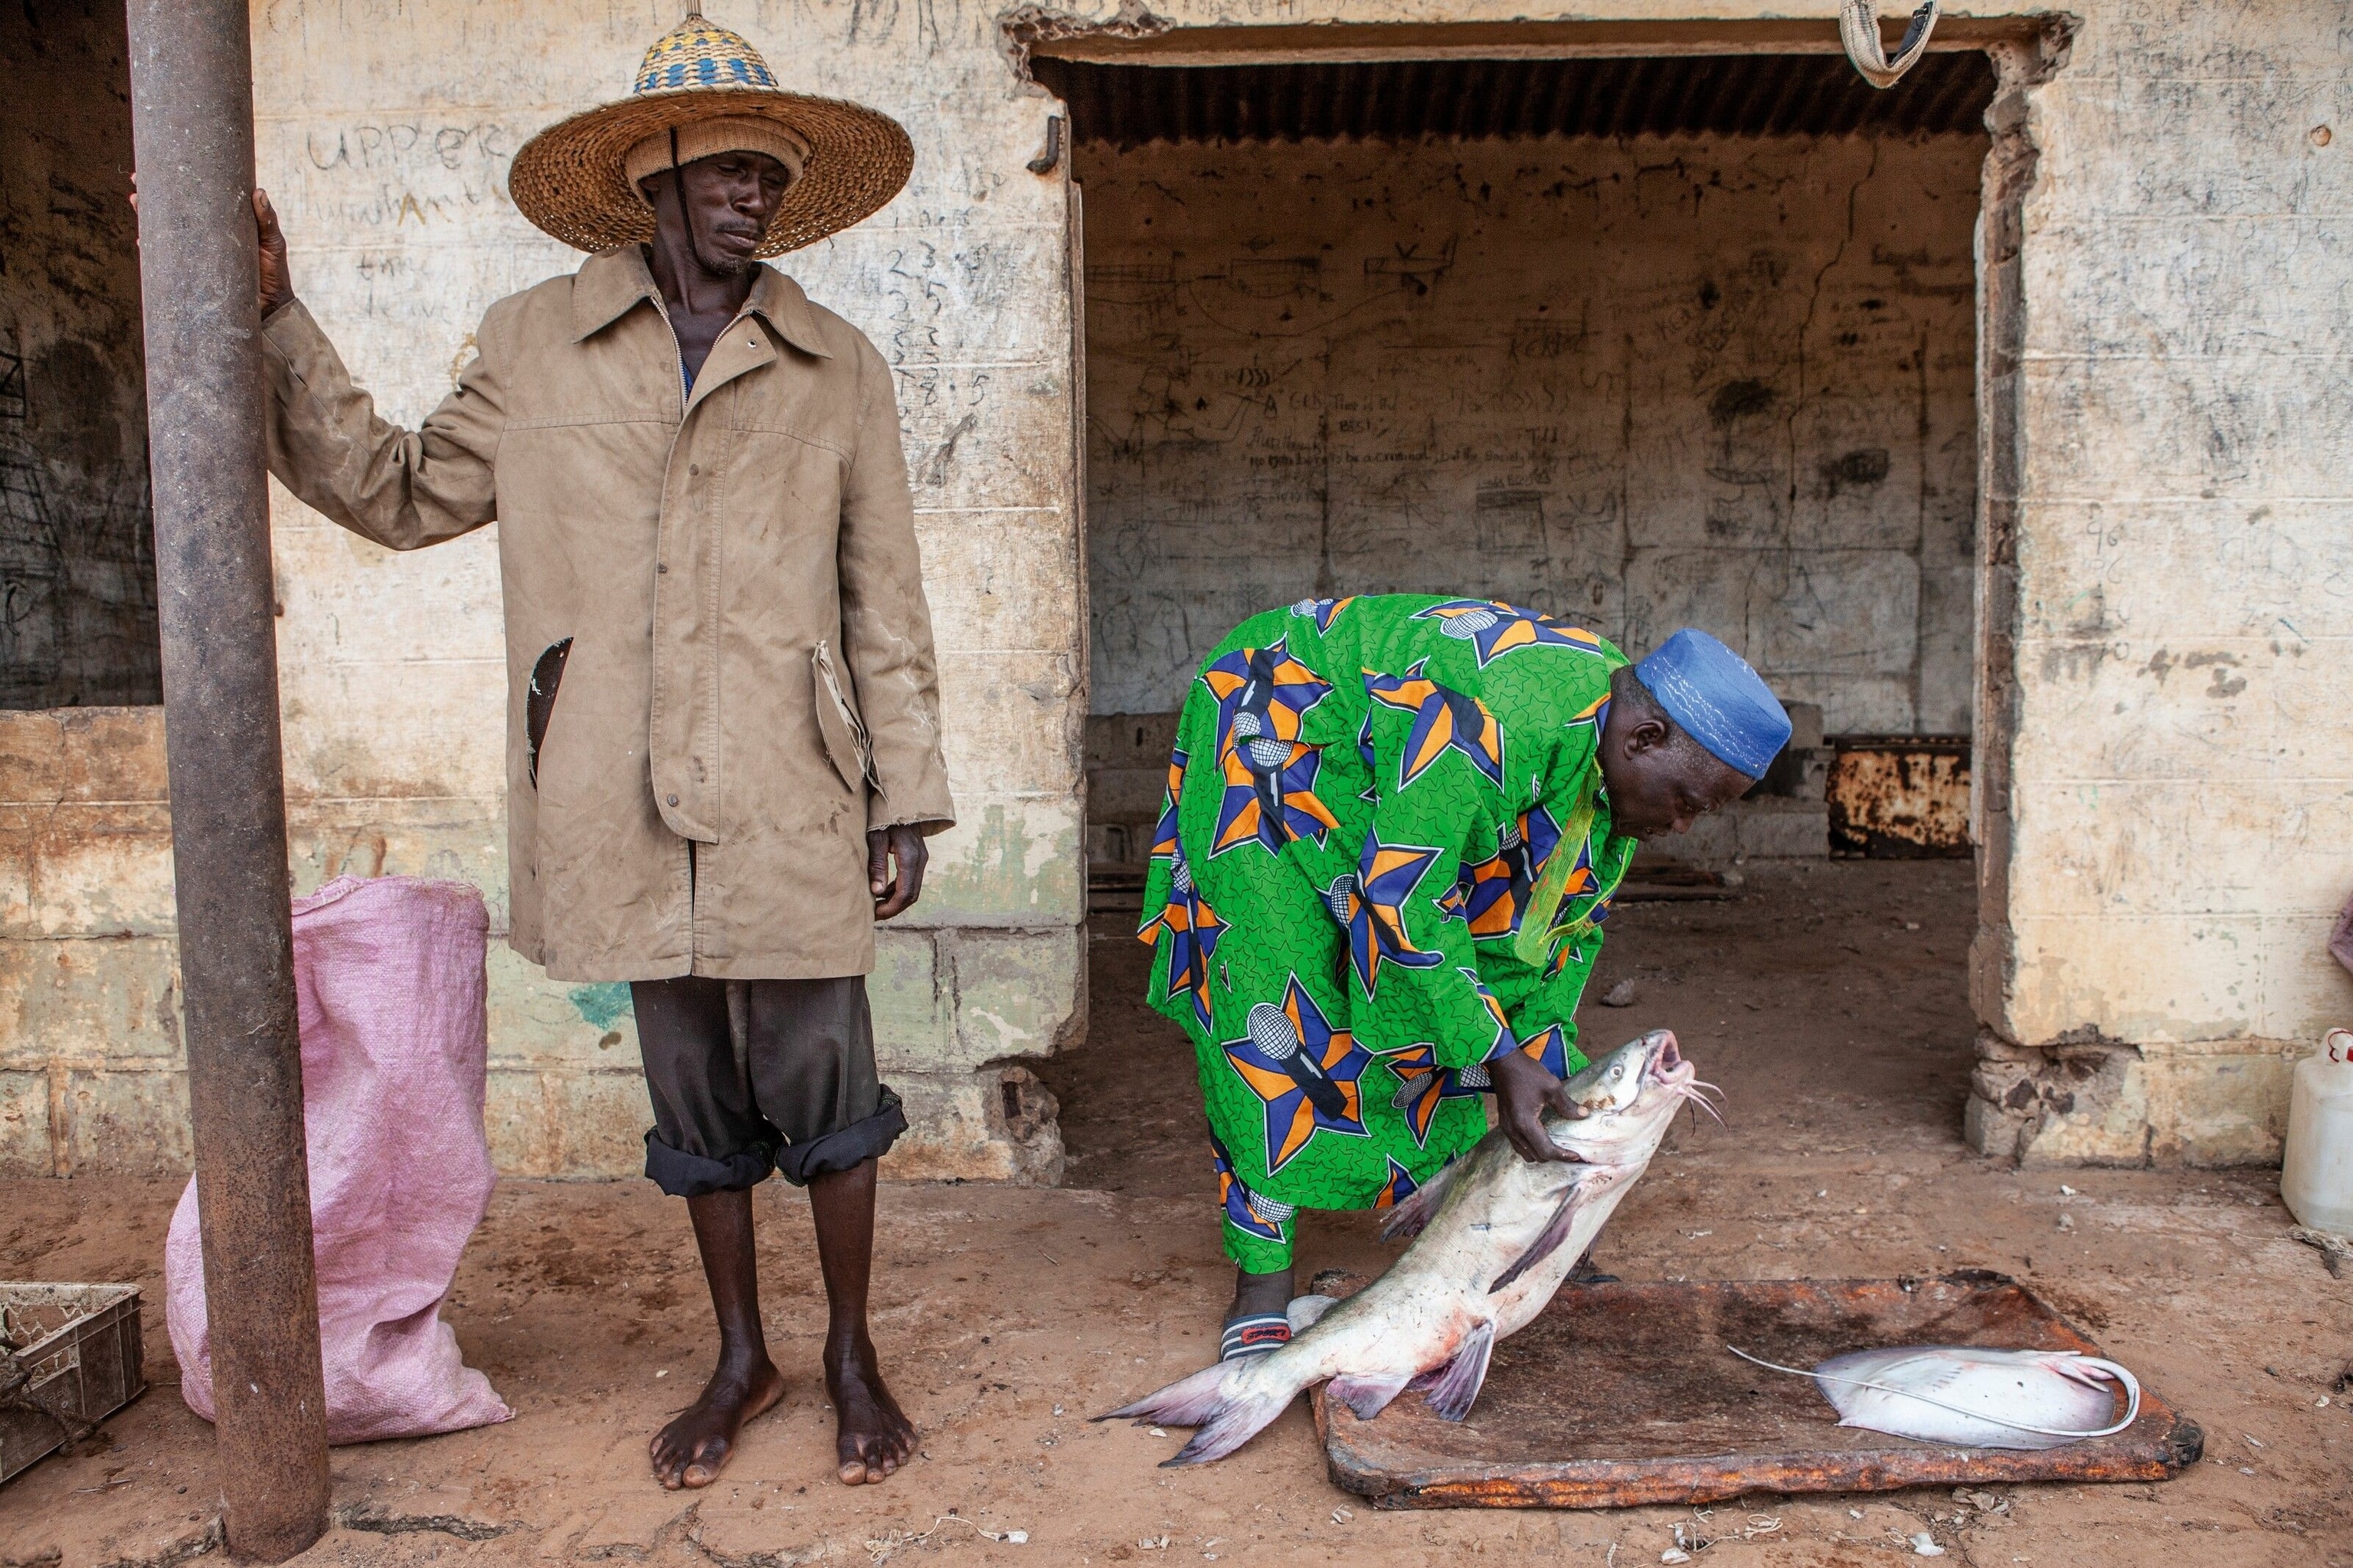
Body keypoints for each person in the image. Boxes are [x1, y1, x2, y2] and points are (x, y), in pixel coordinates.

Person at [237, 14, 951, 1488]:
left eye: (773, 172)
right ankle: (742, 1351)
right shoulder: (534, 346)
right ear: (658, 178)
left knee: (828, 1078)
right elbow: (396, 490)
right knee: (689, 1086)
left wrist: (909, 799)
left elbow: (886, 596)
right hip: (612, 781)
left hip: (791, 778)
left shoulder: (838, 366)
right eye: (730, 170)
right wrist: (275, 321)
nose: (754, 194)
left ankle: (851, 1350)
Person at [1137, 597, 1786, 1357]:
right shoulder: (1493, 724)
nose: (1681, 826)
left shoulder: (1616, 752)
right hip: (1270, 728)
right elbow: (1405, 896)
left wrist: (1530, 1054)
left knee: (1473, 985)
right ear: (1645, 738)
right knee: (1275, 999)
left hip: (1397, 773)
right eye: (1686, 802)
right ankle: (1262, 1278)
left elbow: (1550, 929)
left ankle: (1488, 1234)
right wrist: (1498, 1052)